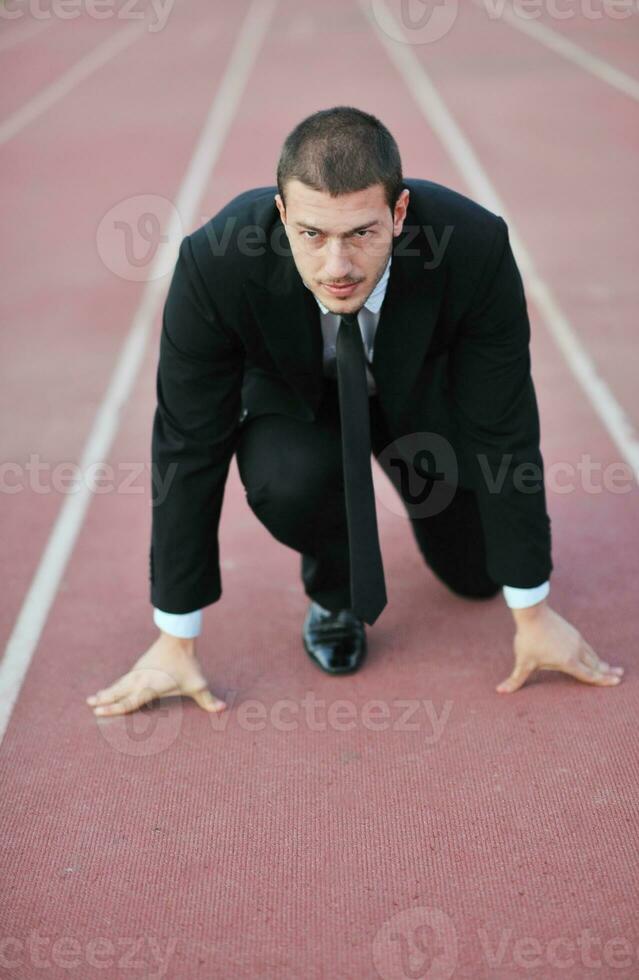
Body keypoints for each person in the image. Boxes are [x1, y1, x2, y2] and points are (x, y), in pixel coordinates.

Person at [86, 107, 623, 718]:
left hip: (420, 399)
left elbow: (503, 424)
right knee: (292, 481)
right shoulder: (215, 264)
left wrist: (533, 607)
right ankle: (335, 596)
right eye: (312, 234)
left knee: (478, 577)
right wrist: (174, 636)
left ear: (398, 214)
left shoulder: (472, 246)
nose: (337, 266)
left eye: (361, 234)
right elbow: (187, 442)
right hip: (298, 406)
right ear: (283, 214)